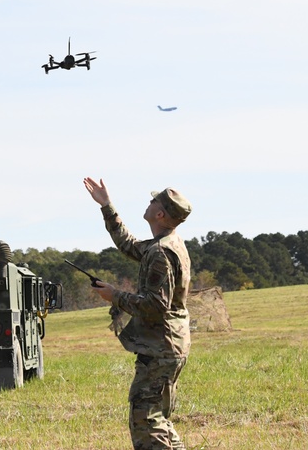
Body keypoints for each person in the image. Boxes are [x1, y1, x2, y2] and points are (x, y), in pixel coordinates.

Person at [83, 177, 193, 450]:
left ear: (160, 214)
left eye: (154, 200)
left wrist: (115, 296)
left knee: (146, 419)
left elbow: (156, 306)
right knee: (157, 417)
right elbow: (129, 245)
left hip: (161, 348)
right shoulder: (166, 244)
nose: (149, 202)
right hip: (169, 345)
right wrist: (107, 206)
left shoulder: (161, 253)